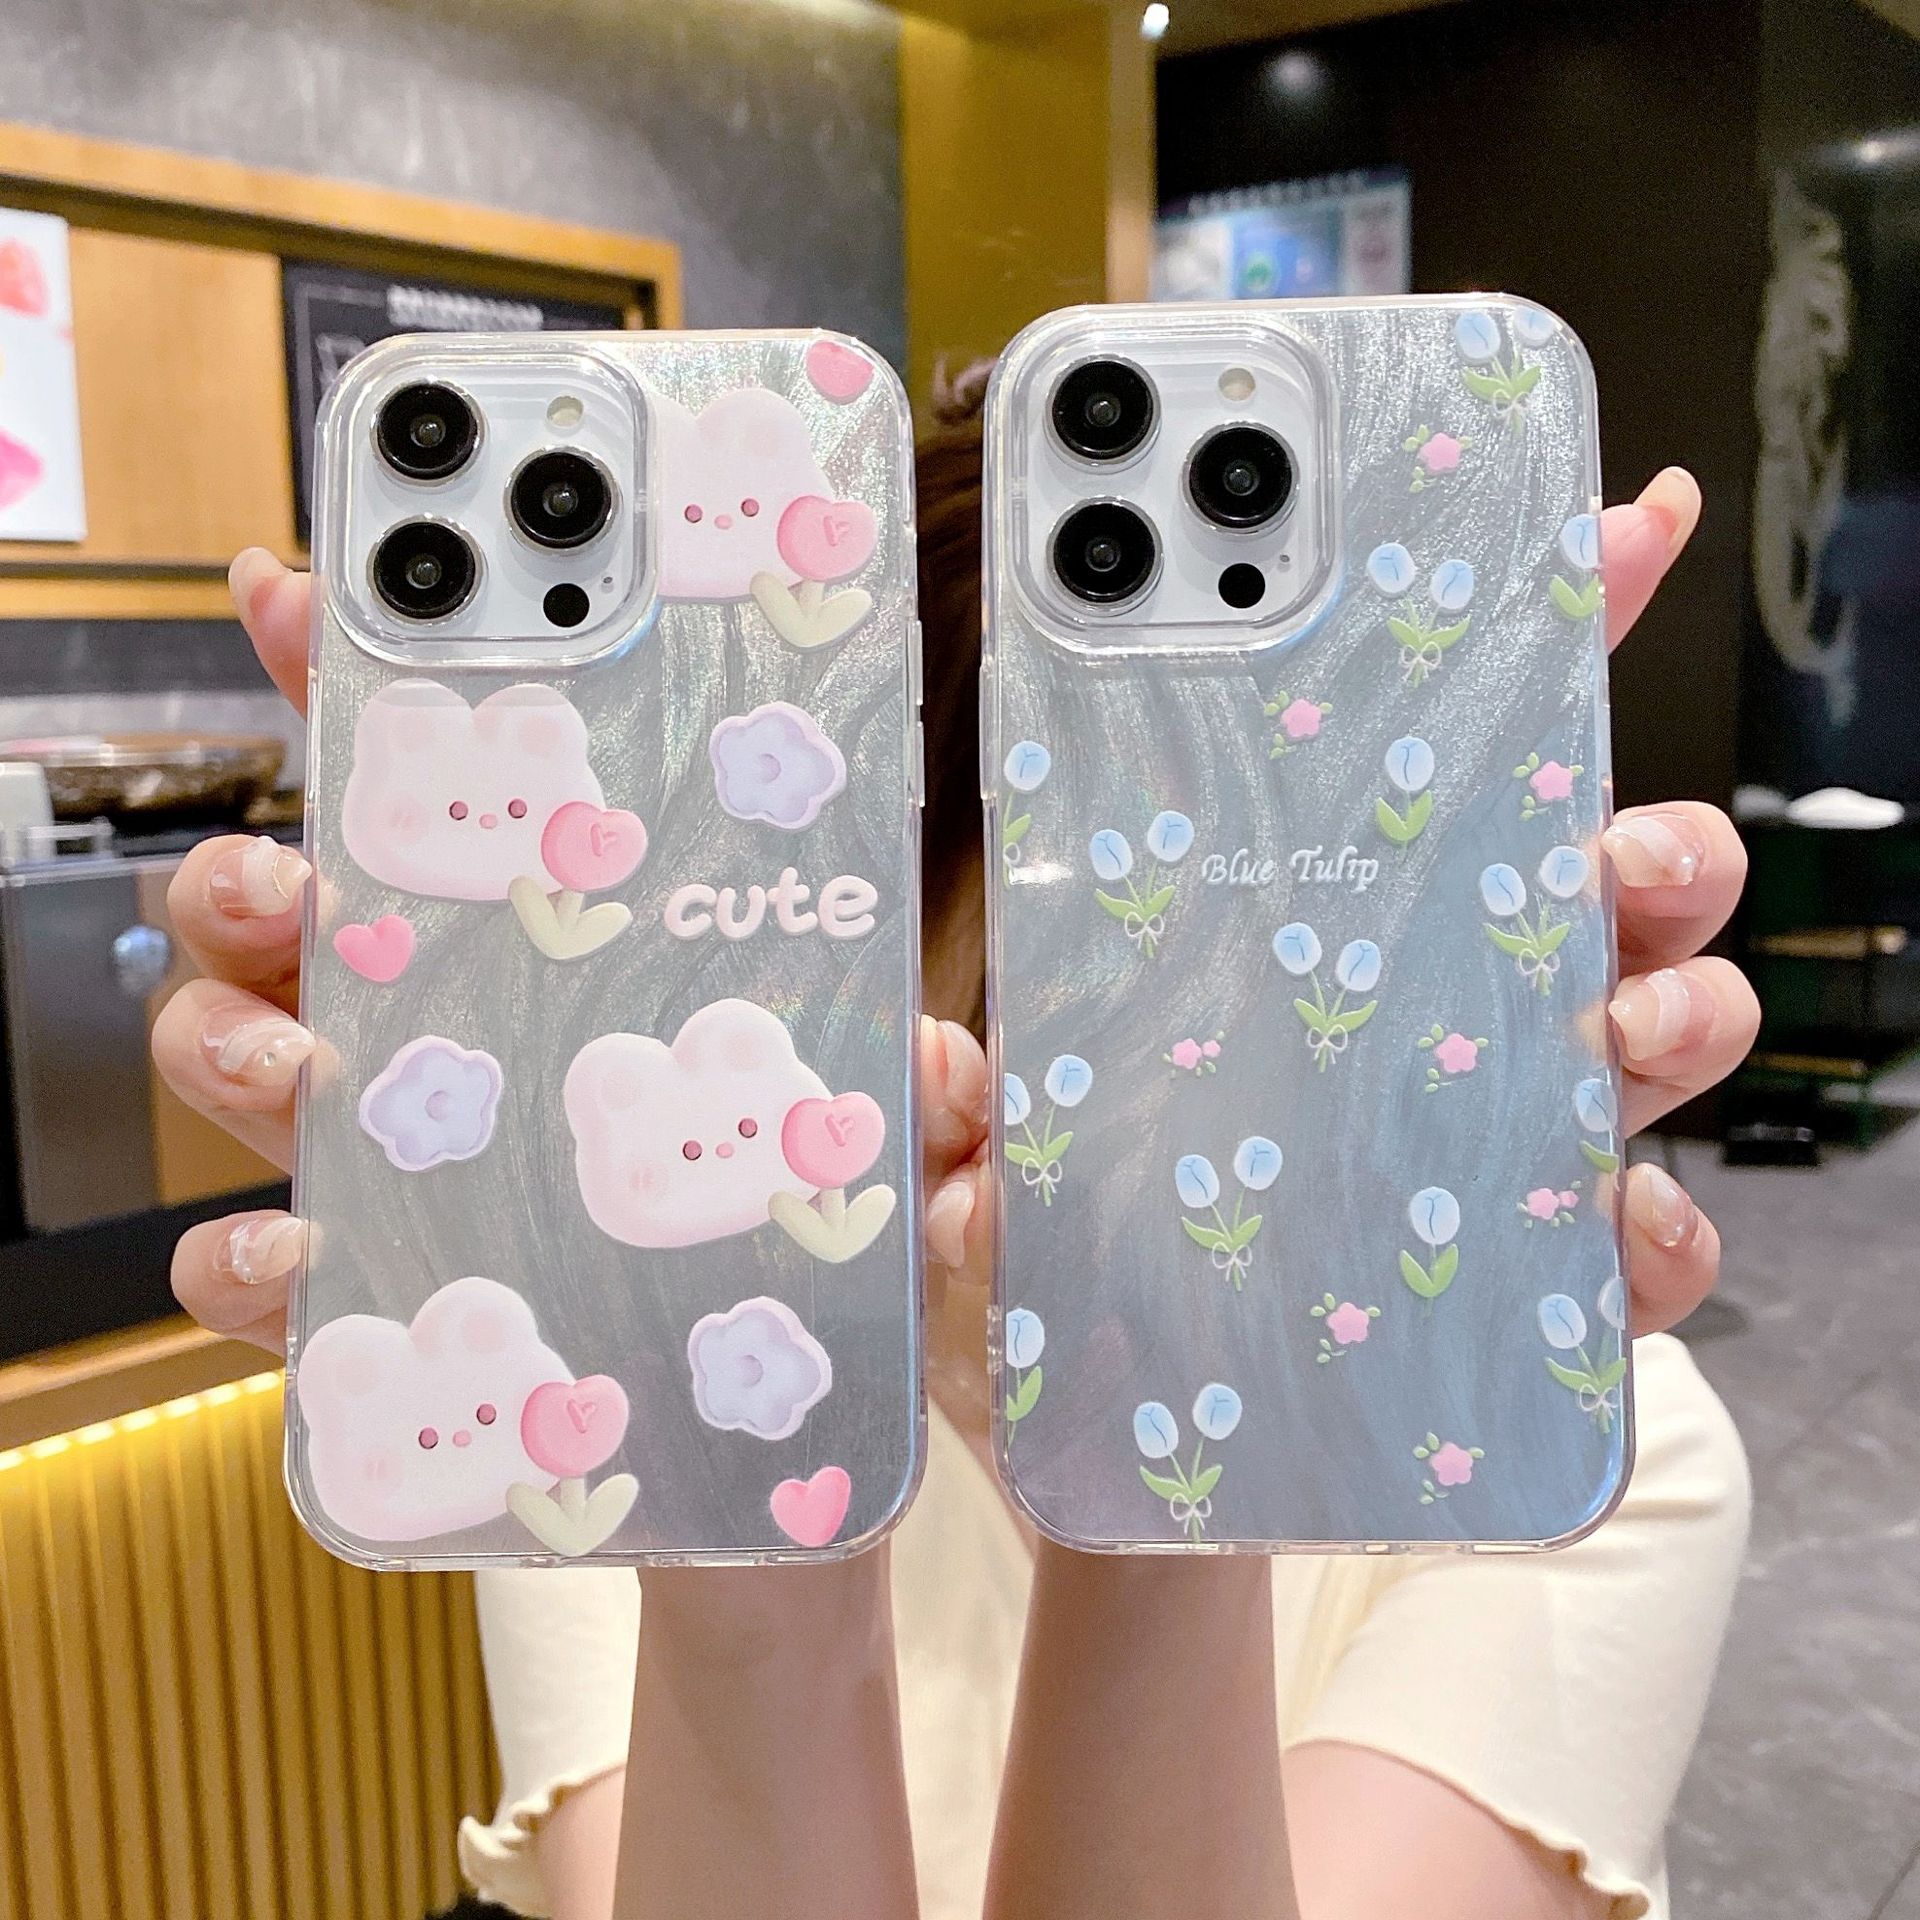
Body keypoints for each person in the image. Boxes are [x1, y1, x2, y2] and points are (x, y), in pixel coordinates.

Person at [154, 368, 1755, 1920]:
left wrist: (1165, 1478)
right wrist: (748, 1527)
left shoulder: (1560, 1446)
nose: (1136, 1034)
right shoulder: (619, 1384)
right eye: (1064, 942)